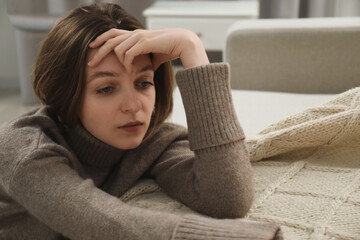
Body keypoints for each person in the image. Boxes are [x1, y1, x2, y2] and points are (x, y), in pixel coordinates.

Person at [0, 3, 282, 240]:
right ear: (65, 96)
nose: (134, 106)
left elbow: (228, 199)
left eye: (143, 82)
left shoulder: (153, 141)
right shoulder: (25, 152)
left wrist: (191, 47)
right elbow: (105, 222)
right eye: (106, 89)